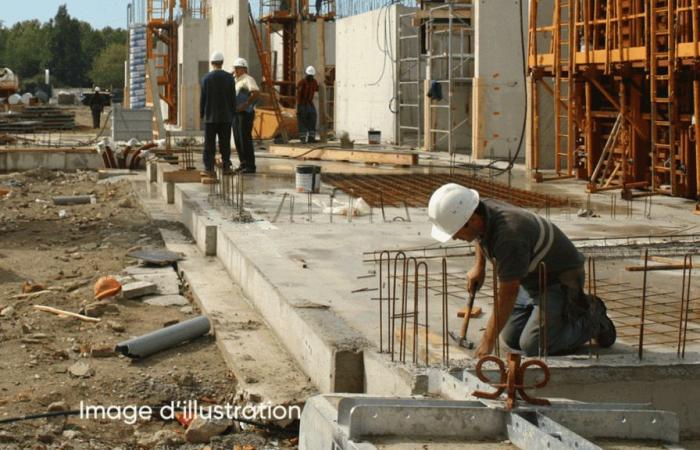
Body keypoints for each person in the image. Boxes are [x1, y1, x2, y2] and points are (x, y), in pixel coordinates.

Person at [427, 183, 616, 358]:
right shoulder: (481, 209)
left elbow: (508, 294)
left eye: (455, 231)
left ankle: (593, 318)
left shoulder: (509, 237)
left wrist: (488, 341)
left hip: (558, 280)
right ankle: (554, 317)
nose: (453, 238)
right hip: (531, 278)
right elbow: (480, 237)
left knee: (534, 346)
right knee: (511, 338)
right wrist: (480, 266)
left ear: (473, 220)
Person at [200, 51, 236, 178]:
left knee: (209, 144)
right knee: (225, 143)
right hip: (226, 117)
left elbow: (203, 98)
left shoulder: (206, 78)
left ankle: (209, 169)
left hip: (210, 117)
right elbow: (233, 98)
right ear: (222, 63)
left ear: (212, 63)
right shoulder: (229, 78)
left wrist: (201, 113)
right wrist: (232, 113)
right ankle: (226, 167)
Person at [232, 58, 260, 174]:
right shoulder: (235, 80)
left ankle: (250, 165)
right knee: (238, 139)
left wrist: (246, 104)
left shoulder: (248, 79)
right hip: (236, 113)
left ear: (243, 68)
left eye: (237, 68)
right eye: (235, 68)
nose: (235, 70)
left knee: (245, 139)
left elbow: (256, 92)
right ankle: (243, 163)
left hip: (245, 113)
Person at [296, 66, 319, 144]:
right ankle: (303, 139)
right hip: (303, 104)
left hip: (308, 104)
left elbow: (317, 89)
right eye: (310, 76)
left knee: (312, 119)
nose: (311, 77)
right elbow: (299, 95)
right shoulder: (302, 83)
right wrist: (300, 106)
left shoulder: (313, 82)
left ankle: (310, 138)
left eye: (311, 76)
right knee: (303, 120)